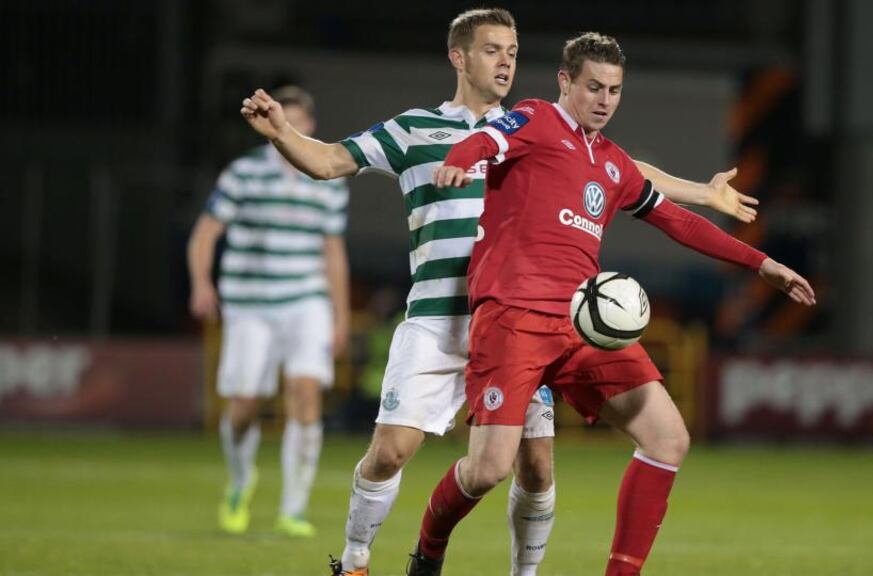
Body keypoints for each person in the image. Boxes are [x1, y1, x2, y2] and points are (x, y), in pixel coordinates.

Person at [240, 9, 758, 575]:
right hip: (440, 318)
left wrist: (704, 195)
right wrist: (284, 134)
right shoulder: (415, 129)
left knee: (536, 467)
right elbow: (332, 159)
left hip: (518, 321)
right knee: (391, 452)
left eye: (512, 50)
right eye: (492, 50)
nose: (507, 60)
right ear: (458, 57)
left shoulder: (535, 129)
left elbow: (621, 168)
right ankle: (357, 560)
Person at [410, 32, 816, 575]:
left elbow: (679, 222)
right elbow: (484, 141)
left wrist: (761, 264)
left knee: (668, 438)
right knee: (488, 470)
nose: (604, 100)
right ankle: (429, 550)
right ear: (565, 82)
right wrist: (460, 158)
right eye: (594, 87)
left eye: (615, 90)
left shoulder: (614, 163)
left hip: (583, 326)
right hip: (513, 319)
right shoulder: (534, 119)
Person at [188, 85, 351, 538]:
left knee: (305, 395)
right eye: (285, 118)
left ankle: (293, 508)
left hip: (305, 302)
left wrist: (338, 315)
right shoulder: (244, 174)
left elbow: (332, 252)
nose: (291, 128)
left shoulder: (326, 176)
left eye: (299, 121)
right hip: (250, 306)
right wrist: (202, 283)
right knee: (243, 408)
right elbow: (205, 233)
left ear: (310, 125)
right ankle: (241, 480)